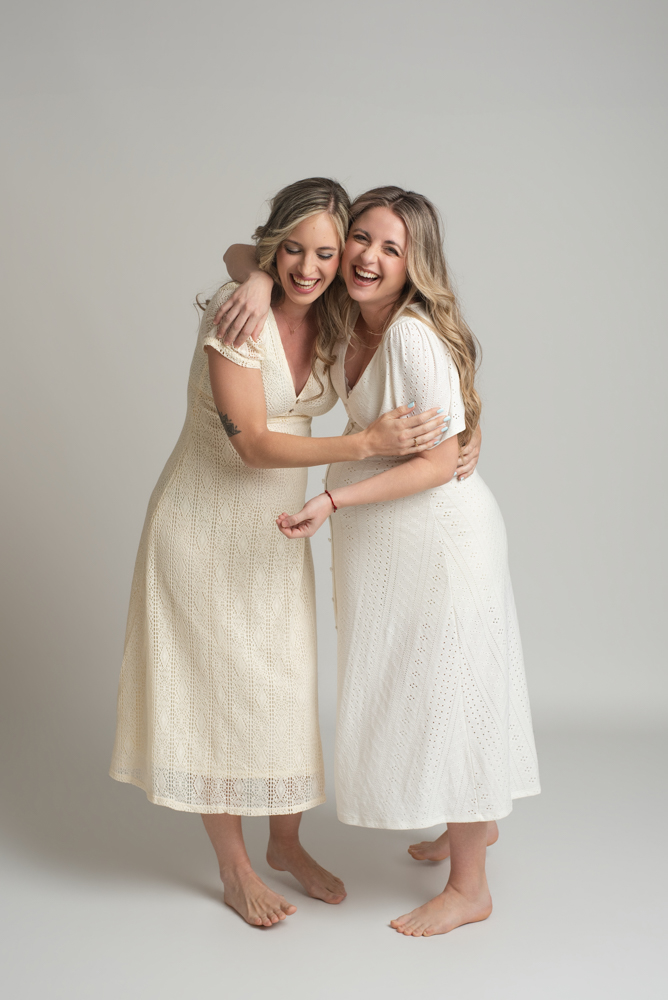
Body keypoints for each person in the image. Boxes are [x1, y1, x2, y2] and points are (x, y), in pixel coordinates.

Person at [109, 178, 446, 928]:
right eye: (292, 251)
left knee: (283, 689)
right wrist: (365, 444)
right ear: (273, 244)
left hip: (275, 533)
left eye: (326, 253)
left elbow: (256, 257)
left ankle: (286, 844)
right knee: (212, 694)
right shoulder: (235, 316)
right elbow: (257, 445)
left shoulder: (330, 314)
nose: (309, 267)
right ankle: (234, 867)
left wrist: (465, 431)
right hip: (200, 528)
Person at [275, 186, 541, 937]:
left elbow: (437, 461)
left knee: (450, 694)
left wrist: (334, 500)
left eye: (391, 248)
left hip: (442, 546)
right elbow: (247, 258)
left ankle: (470, 888)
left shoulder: (410, 336)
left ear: (414, 264)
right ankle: (473, 824)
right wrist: (262, 282)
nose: (368, 257)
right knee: (427, 691)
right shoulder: (352, 321)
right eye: (360, 238)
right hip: (401, 549)